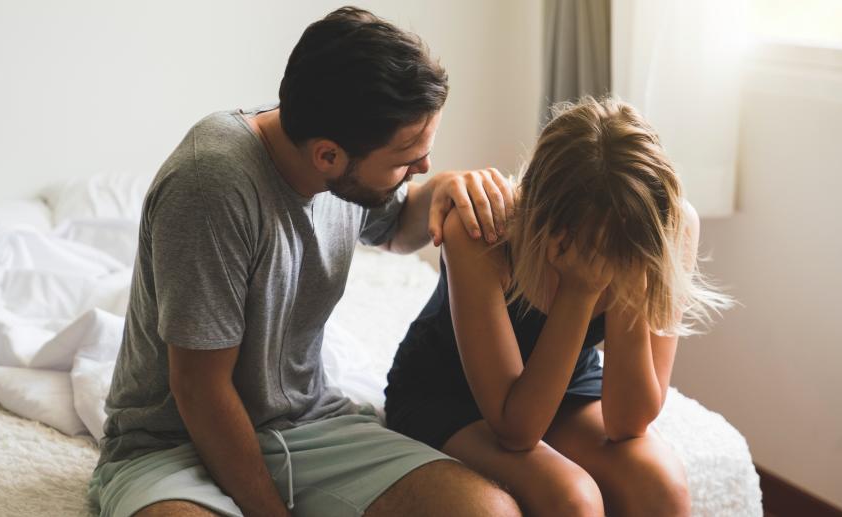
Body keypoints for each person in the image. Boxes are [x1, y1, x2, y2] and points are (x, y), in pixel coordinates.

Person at [88, 7, 522, 517]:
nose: (423, 166)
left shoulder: (337, 147)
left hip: (308, 425)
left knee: (487, 511)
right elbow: (199, 390)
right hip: (172, 443)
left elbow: (395, 228)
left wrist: (444, 190)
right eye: (408, 159)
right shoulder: (211, 184)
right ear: (328, 157)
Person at [385, 97, 734, 517]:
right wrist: (579, 292)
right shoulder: (482, 233)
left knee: (661, 485)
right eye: (597, 250)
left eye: (625, 251)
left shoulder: (666, 229)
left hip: (563, 376)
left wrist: (631, 281)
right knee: (572, 498)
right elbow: (517, 432)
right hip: (447, 391)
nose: (608, 266)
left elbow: (628, 423)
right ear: (542, 223)